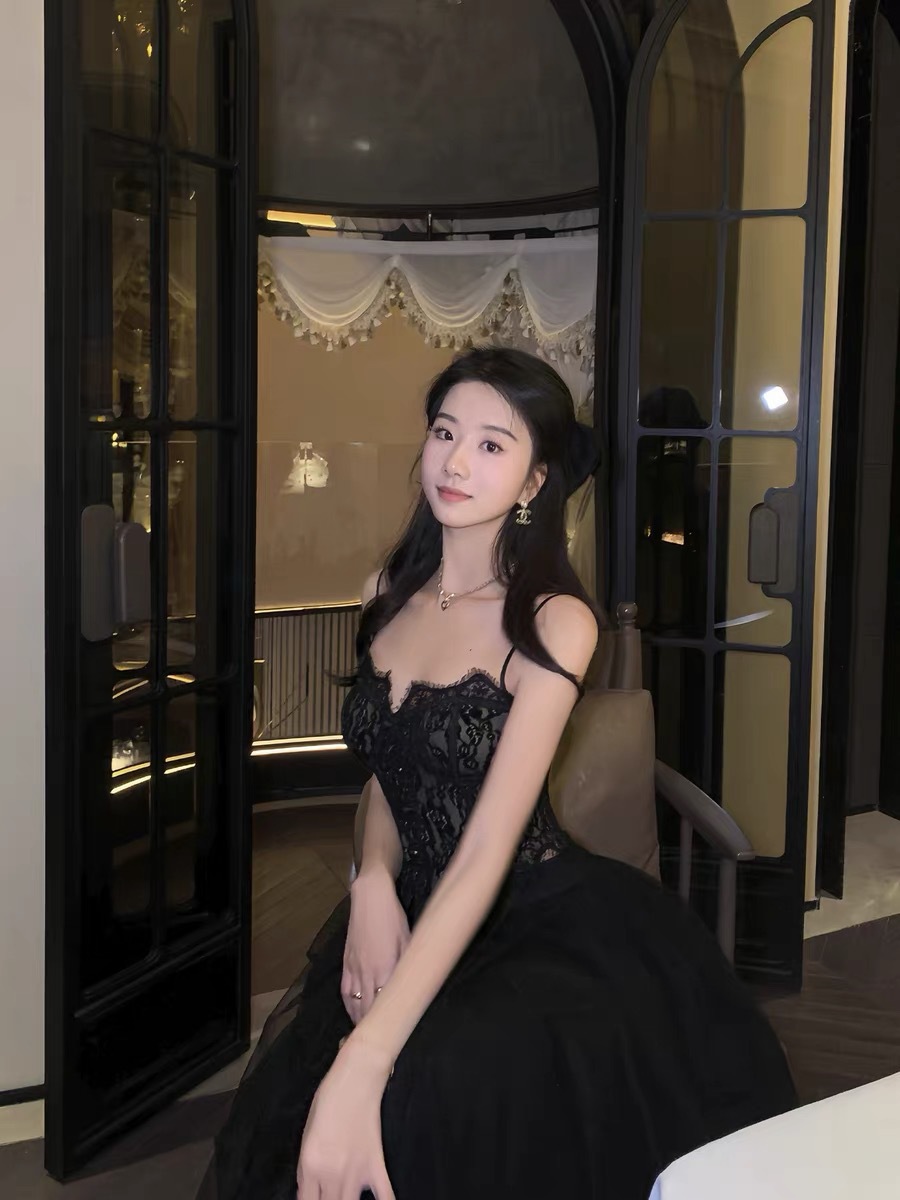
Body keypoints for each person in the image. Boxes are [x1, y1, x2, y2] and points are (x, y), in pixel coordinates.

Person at [199, 347, 795, 1200]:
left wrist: (368, 1055)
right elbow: (390, 776)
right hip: (408, 901)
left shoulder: (555, 622)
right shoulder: (383, 591)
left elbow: (485, 850)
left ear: (532, 481)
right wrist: (372, 883)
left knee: (416, 1096)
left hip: (532, 919)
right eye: (445, 433)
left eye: (490, 444)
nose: (455, 462)